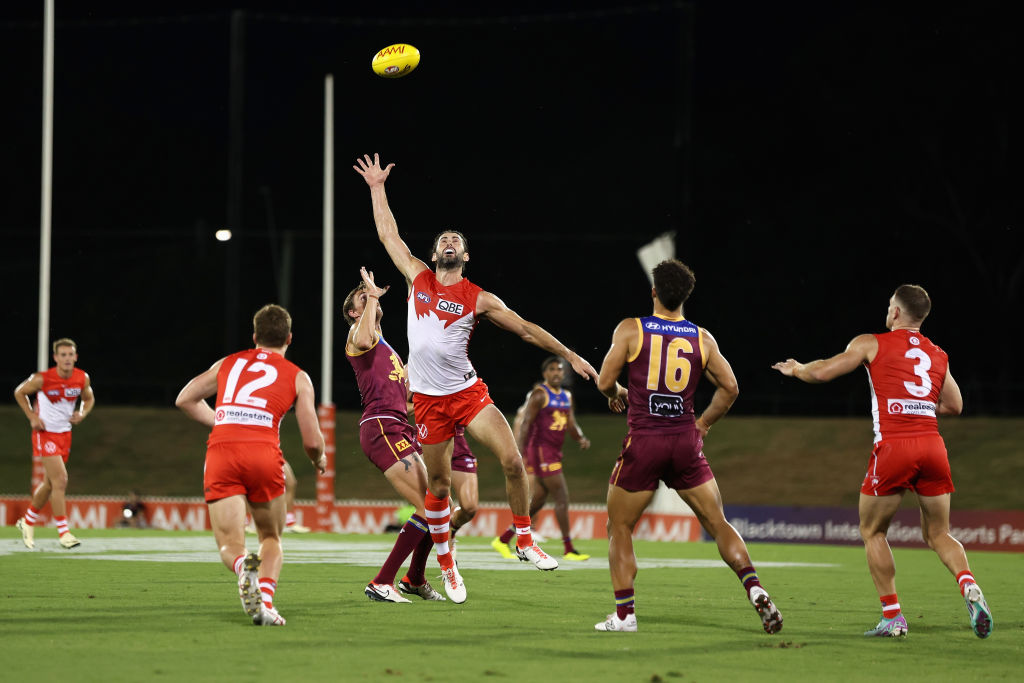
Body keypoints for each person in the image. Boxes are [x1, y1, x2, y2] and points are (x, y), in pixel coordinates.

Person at [354, 153, 599, 603]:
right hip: (427, 401)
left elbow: (525, 328)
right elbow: (388, 233)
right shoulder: (417, 278)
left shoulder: (479, 298)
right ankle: (446, 568)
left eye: (456, 241)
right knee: (440, 488)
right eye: (443, 238)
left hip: (468, 392)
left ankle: (523, 539)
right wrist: (376, 188)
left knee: (511, 460)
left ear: (465, 256)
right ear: (433, 253)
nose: (449, 242)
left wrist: (569, 353)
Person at [772, 284, 993, 639]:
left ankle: (893, 616)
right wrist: (918, 403)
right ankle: (968, 584)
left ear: (896, 312)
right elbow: (955, 406)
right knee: (939, 533)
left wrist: (797, 369)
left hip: (894, 446)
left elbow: (825, 371)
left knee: (872, 531)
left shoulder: (871, 343)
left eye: (890, 305)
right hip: (933, 446)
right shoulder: (938, 354)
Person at [594, 259, 783, 634]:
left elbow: (603, 382)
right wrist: (703, 424)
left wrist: (617, 392)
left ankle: (624, 615)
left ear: (653, 292)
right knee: (717, 522)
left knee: (620, 526)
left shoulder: (631, 330)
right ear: (685, 297)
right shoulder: (702, 338)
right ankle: (755, 587)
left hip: (644, 441)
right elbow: (731, 388)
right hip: (684, 442)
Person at [176, 304, 326, 626]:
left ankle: (244, 567)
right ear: (289, 338)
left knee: (231, 545)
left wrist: (220, 421)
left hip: (221, 452)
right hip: (263, 453)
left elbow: (185, 398)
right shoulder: (298, 376)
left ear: (254, 336)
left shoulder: (227, 363)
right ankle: (266, 603)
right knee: (270, 537)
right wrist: (319, 459)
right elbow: (312, 440)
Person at [345, 267, 446, 603]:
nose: (371, 294)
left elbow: (405, 403)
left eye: (371, 293)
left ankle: (414, 578)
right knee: (429, 507)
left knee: (439, 505)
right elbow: (361, 339)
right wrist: (372, 296)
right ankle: (382, 581)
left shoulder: (386, 346)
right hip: (381, 427)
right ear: (354, 313)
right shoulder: (360, 337)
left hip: (399, 425)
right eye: (364, 296)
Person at [492, 357, 591, 561]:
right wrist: (519, 450)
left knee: (538, 501)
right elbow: (526, 422)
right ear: (545, 374)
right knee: (561, 497)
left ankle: (504, 539)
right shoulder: (539, 394)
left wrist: (580, 437)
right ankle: (569, 548)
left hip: (555, 452)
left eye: (559, 369)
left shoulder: (566, 396)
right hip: (540, 452)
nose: (556, 373)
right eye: (552, 369)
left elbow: (571, 423)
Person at [14, 338, 95, 550]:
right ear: (56, 358)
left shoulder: (81, 378)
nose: (67, 358)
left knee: (49, 484)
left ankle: (27, 521)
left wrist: (83, 413)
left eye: (71, 355)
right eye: (63, 355)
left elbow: (89, 398)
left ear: (75, 357)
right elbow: (19, 392)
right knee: (61, 480)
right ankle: (64, 532)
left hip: (65, 434)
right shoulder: (42, 379)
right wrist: (32, 416)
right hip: (45, 433)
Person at [448, 426, 479, 561]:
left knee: (470, 508)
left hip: (457, 445)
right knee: (442, 506)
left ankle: (452, 527)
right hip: (428, 442)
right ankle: (449, 568)